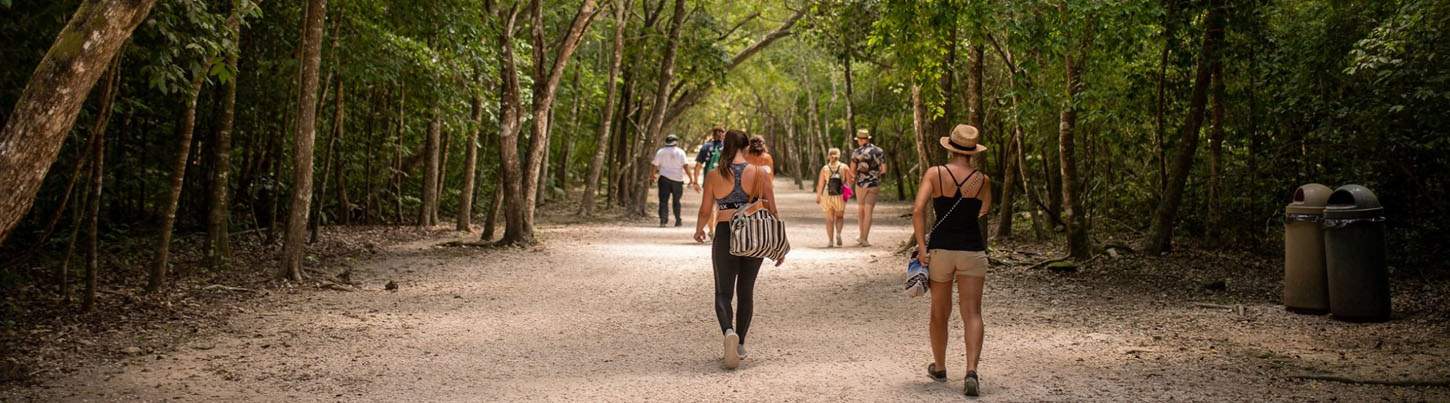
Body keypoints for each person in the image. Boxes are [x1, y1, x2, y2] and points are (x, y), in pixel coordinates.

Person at [911, 124, 992, 397]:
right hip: (972, 250)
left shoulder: (935, 173)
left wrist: (922, 247)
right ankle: (971, 371)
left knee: (939, 312)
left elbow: (918, 209)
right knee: (973, 313)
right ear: (972, 152)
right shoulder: (983, 180)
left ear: (951, 148)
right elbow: (985, 209)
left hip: (941, 251)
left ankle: (941, 367)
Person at [693, 129, 782, 370]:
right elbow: (772, 209)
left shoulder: (714, 174)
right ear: (745, 147)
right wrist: (778, 244)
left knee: (723, 292)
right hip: (753, 234)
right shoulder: (761, 172)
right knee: (746, 290)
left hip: (724, 232)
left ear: (725, 147)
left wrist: (699, 230)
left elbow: (705, 210)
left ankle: (728, 332)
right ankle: (741, 343)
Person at [851, 129, 888, 247]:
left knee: (861, 210)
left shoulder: (856, 152)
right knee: (869, 212)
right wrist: (875, 175)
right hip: (874, 184)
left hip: (861, 184)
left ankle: (861, 235)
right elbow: (884, 170)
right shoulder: (879, 151)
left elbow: (852, 171)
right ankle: (865, 238)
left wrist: (855, 177)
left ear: (861, 140)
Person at [652, 134, 695, 227]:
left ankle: (663, 221)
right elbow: (685, 166)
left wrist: (652, 175)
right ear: (676, 142)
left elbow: (655, 165)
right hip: (677, 180)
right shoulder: (680, 152)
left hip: (664, 179)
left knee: (663, 201)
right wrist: (691, 178)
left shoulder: (661, 151)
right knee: (676, 201)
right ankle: (678, 220)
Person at [814, 148, 854, 247]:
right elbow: (850, 182)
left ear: (828, 156)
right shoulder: (844, 167)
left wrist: (818, 196)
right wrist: (847, 192)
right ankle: (839, 234)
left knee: (829, 219)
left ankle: (830, 241)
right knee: (839, 217)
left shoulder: (825, 168)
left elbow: (820, 184)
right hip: (840, 195)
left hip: (828, 195)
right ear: (839, 155)